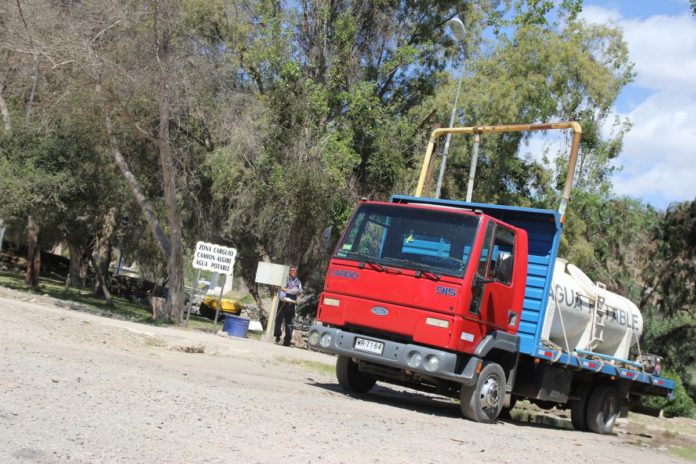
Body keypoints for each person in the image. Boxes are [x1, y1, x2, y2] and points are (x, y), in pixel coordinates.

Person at [274, 265, 303, 346]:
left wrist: (288, 290)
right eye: (293, 270)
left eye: (295, 271)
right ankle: (277, 337)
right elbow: (281, 289)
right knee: (278, 321)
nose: (294, 272)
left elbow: (299, 291)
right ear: (289, 272)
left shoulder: (298, 282)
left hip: (291, 305)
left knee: (290, 323)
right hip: (283, 303)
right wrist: (292, 291)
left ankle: (287, 341)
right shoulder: (285, 280)